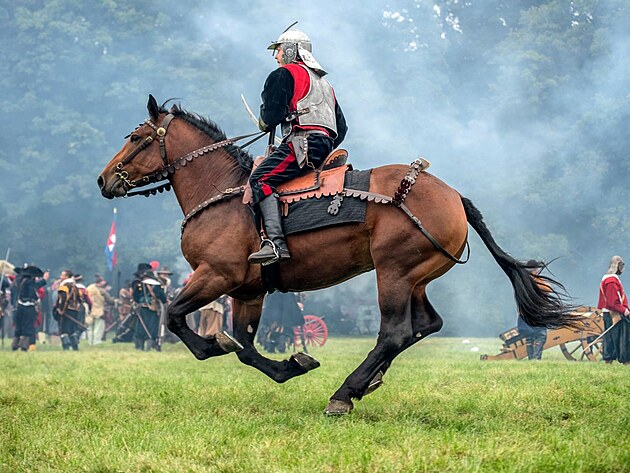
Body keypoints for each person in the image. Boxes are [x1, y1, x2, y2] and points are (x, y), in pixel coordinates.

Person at [247, 27, 348, 265]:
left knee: (260, 179)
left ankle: (274, 244)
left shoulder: (284, 74)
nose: (276, 57)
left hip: (302, 143)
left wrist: (264, 121)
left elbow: (272, 116)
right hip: (323, 145)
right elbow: (341, 129)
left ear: (291, 50)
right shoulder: (325, 84)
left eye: (279, 50)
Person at [597, 255, 630, 365]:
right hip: (614, 313)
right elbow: (613, 302)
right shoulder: (611, 280)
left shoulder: (609, 278)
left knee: (611, 337)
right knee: (621, 338)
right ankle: (624, 360)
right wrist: (624, 310)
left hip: (612, 312)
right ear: (617, 266)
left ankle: (609, 360)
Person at [517, 261, 552, 360]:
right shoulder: (533, 281)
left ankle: (531, 359)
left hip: (524, 314)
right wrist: (536, 278)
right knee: (540, 336)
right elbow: (548, 288)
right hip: (536, 314)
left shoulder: (522, 280)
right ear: (535, 270)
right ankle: (536, 359)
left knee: (530, 338)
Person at [10, 264, 47, 351]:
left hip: (18, 306)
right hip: (28, 306)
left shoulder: (18, 280)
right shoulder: (29, 281)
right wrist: (36, 298)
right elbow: (32, 292)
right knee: (28, 326)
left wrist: (43, 281)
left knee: (18, 326)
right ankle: (24, 345)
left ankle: (15, 344)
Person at [132, 263, 166, 351]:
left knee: (141, 327)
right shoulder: (157, 285)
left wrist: (138, 302)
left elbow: (135, 296)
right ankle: (149, 344)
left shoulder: (140, 284)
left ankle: (141, 346)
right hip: (153, 309)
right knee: (152, 327)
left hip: (142, 308)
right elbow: (162, 297)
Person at [54, 269, 84, 351]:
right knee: (72, 329)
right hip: (74, 310)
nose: (61, 277)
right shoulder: (75, 287)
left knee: (64, 329)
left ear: (66, 276)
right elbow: (80, 299)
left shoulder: (64, 286)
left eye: (62, 275)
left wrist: (61, 310)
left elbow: (62, 299)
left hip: (66, 310)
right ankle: (75, 346)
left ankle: (66, 346)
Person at [86, 274, 114, 345]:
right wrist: (114, 301)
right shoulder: (102, 291)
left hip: (90, 310)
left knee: (90, 327)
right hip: (99, 310)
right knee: (99, 327)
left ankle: (90, 342)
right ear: (101, 282)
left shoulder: (89, 288)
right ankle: (96, 342)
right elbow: (109, 301)